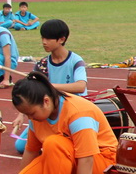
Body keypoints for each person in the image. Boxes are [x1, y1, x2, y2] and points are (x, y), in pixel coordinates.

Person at [9, 72, 117, 174]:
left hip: (99, 160)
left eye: (31, 113)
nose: (30, 118)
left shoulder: (78, 113)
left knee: (54, 143)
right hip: (66, 158)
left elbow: (86, 159)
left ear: (46, 101)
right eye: (26, 115)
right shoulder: (37, 117)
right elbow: (31, 151)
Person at [10, 19, 88, 154]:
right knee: (21, 146)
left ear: (61, 39)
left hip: (70, 112)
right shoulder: (43, 64)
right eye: (42, 38)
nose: (44, 42)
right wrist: (21, 115)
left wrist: (49, 85)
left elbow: (80, 86)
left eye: (48, 38)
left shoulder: (76, 61)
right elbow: (31, 92)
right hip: (47, 111)